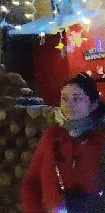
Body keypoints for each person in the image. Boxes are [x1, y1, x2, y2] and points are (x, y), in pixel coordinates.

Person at [21, 73, 105, 213]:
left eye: (76, 98)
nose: (68, 104)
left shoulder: (102, 139)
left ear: (93, 104)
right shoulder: (52, 137)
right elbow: (30, 183)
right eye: (64, 98)